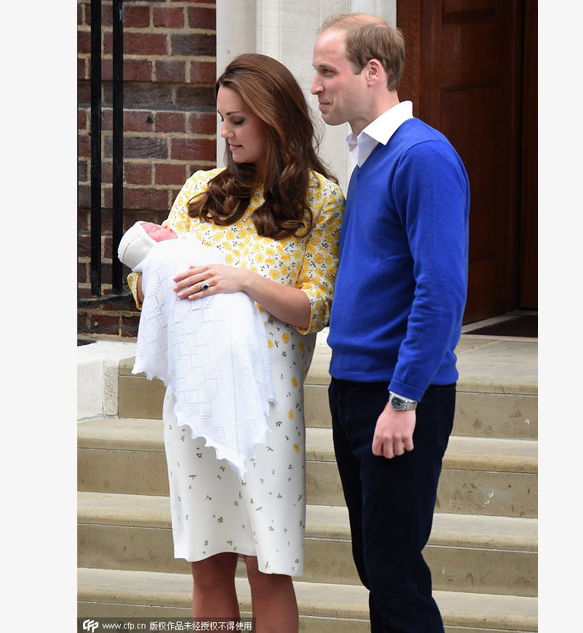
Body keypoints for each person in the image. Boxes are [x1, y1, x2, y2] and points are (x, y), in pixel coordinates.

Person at [143, 53, 344, 632]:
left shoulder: (320, 199)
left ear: (273, 118)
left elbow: (317, 305)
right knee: (207, 569)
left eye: (237, 121)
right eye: (221, 120)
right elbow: (145, 290)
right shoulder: (199, 190)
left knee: (268, 569)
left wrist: (243, 281)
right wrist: (151, 256)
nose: (225, 134)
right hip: (196, 402)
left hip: (267, 411)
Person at [311, 13, 470, 633]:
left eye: (328, 71)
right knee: (378, 566)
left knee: (395, 574)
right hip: (355, 386)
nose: (316, 86)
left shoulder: (422, 155)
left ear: (372, 72)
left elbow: (442, 289)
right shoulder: (369, 158)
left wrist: (404, 396)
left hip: (399, 394)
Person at [118, 221, 275, 476]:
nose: (165, 227)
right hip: (197, 361)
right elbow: (142, 278)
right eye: (155, 229)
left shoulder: (321, 196)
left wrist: (244, 280)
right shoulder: (194, 197)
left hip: (259, 351)